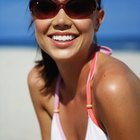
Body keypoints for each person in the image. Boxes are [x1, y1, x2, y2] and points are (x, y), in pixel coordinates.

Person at [27, 0, 140, 139]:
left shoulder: (114, 86)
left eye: (78, 7)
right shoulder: (41, 83)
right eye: (45, 7)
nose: (61, 21)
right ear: (34, 16)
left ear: (98, 20)